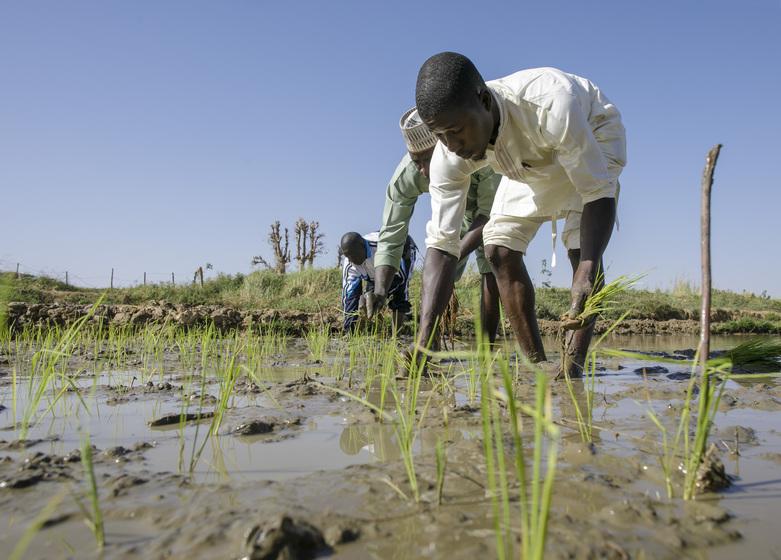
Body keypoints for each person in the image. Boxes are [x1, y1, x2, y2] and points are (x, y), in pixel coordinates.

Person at [414, 52, 626, 377]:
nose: (451, 144)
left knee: (580, 252)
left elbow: (596, 191)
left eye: (456, 131)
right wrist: (423, 341)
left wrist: (588, 268)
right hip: (526, 162)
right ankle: (539, 366)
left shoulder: (551, 103)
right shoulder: (449, 152)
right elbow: (442, 247)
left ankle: (571, 371)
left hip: (590, 134)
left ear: (484, 100)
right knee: (498, 249)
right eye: (440, 134)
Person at [366, 107, 503, 343]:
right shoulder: (406, 177)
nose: (423, 170)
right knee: (438, 264)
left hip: (487, 210)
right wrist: (380, 289)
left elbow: (489, 215)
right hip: (453, 210)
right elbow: (391, 235)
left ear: (445, 145)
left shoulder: (478, 158)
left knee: (494, 257)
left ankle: (486, 347)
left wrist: (453, 255)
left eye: (428, 159)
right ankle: (431, 343)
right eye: (416, 161)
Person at [340, 231, 417, 333]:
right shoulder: (350, 263)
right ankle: (377, 327)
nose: (351, 260)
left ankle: (397, 333)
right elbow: (349, 295)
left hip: (403, 248)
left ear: (363, 247)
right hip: (374, 271)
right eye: (348, 256)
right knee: (369, 296)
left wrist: (382, 295)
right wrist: (349, 328)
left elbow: (400, 278)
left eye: (354, 255)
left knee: (400, 292)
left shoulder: (381, 248)